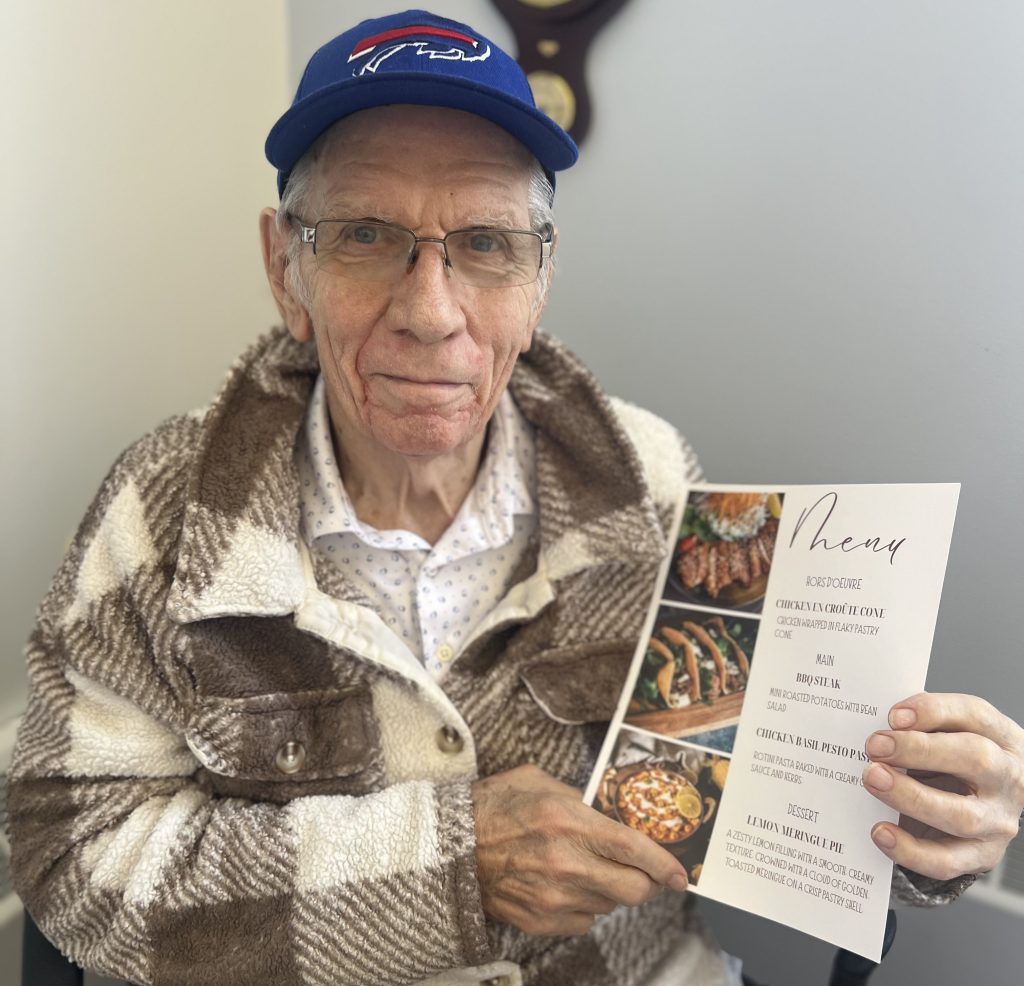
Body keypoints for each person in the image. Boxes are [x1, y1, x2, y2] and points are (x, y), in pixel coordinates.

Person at [8, 9, 1023, 986]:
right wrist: (450, 864)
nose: (431, 311)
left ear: (539, 280)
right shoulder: (162, 509)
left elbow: (756, 793)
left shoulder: (650, 474)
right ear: (286, 268)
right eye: (366, 234)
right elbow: (72, 854)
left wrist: (920, 826)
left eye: (487, 244)